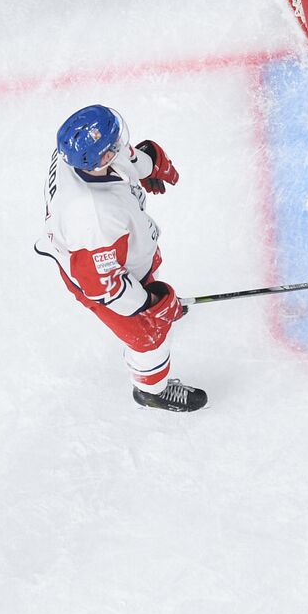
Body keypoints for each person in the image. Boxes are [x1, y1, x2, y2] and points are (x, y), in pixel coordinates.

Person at [34, 104, 203, 412]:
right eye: (113, 148)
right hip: (95, 277)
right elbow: (105, 287)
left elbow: (121, 156)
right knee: (148, 337)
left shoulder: (78, 154)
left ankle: (147, 302)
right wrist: (147, 306)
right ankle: (151, 391)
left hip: (115, 251)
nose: (120, 147)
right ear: (101, 157)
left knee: (144, 287)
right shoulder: (93, 218)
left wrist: (147, 164)